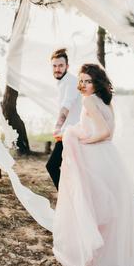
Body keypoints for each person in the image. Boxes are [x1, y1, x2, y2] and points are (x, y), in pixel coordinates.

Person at [52, 64, 134, 266]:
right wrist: (76, 133)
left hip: (96, 157)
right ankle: (111, 257)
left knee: (96, 209)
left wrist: (84, 141)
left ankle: (100, 260)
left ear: (96, 82)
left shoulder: (88, 101)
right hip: (110, 157)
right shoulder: (106, 100)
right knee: (110, 211)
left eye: (88, 81)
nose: (83, 85)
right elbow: (109, 132)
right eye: (82, 80)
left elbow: (104, 132)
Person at [46, 48, 82, 190]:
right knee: (69, 168)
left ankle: (68, 198)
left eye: (61, 66)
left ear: (67, 66)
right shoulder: (63, 82)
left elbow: (66, 106)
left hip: (72, 132)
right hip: (67, 132)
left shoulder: (71, 81)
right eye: (54, 66)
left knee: (52, 166)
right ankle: (70, 198)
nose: (57, 69)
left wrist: (58, 127)